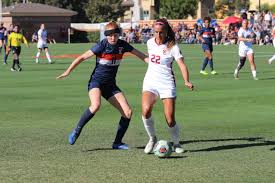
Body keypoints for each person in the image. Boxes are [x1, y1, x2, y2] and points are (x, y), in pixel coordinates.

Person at [56, 21, 148, 149]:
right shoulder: (101, 45)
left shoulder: (123, 45)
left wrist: (156, 62)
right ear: (106, 35)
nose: (112, 37)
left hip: (110, 86)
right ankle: (77, 130)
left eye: (115, 35)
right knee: (96, 105)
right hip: (96, 83)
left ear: (118, 34)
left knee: (127, 112)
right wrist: (67, 71)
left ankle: (117, 142)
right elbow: (81, 58)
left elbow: (142, 56)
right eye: (109, 35)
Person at [141, 18, 194, 154]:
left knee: (170, 119)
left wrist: (186, 80)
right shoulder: (149, 43)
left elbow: (181, 64)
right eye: (156, 32)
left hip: (167, 83)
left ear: (166, 32)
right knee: (146, 110)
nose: (158, 35)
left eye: (161, 32)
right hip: (150, 81)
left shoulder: (173, 47)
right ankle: (152, 139)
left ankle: (176, 143)